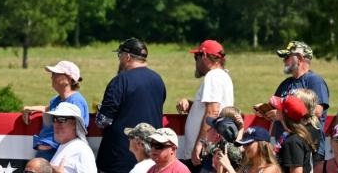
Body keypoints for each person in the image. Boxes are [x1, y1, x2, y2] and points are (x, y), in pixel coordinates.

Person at [96, 39, 167, 173]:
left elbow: (102, 121)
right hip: (151, 157)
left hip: (119, 158)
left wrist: (100, 112)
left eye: (120, 55)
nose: (119, 59)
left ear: (127, 57)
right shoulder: (158, 80)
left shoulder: (120, 81)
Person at [176, 42, 234, 171]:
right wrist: (191, 105)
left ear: (205, 56)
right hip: (212, 149)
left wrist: (200, 144)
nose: (195, 61)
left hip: (206, 151)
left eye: (196, 56)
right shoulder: (222, 76)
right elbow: (211, 108)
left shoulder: (213, 76)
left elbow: (213, 111)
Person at [258, 42, 329, 141]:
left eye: (287, 57)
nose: (284, 61)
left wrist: (282, 115)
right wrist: (265, 111)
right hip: (284, 144)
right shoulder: (285, 84)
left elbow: (317, 111)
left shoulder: (315, 80)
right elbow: (276, 109)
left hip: (307, 144)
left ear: (299, 59)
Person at [25, 61, 89, 162]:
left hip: (57, 154)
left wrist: (55, 149)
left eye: (55, 74)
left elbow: (78, 129)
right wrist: (29, 108)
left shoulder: (76, 101)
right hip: (46, 152)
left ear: (69, 79)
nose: (52, 77)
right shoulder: (56, 99)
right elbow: (49, 109)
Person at [276, 93, 320, 173]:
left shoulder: (293, 141)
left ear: (284, 115)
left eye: (278, 108)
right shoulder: (299, 134)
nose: (275, 110)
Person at [47, 104, 96, 173]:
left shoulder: (82, 150)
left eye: (61, 119)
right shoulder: (64, 146)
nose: (56, 124)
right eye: (54, 119)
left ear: (74, 124)